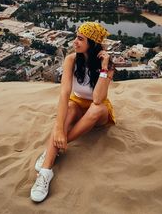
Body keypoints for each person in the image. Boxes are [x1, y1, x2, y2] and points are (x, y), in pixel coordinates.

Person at [30, 21, 116, 202]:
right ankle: (45, 173)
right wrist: (59, 129)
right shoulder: (70, 59)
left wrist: (103, 67)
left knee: (95, 109)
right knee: (69, 107)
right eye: (75, 37)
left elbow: (98, 99)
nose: (74, 42)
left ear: (92, 43)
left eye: (80, 38)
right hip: (76, 103)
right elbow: (64, 94)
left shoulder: (108, 65)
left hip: (99, 111)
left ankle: (51, 149)